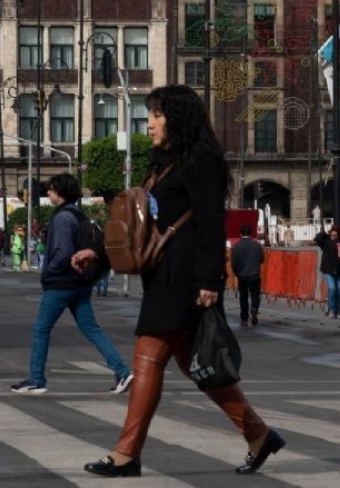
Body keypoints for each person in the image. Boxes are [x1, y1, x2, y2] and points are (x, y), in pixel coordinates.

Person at [76, 85, 285, 478]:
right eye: (150, 114)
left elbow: (209, 222)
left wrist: (210, 280)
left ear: (178, 118)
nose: (149, 123)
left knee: (148, 357)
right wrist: (101, 255)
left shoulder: (202, 160)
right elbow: (143, 226)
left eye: (156, 115)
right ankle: (258, 434)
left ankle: (126, 453)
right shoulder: (161, 164)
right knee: (198, 367)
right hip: (164, 276)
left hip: (186, 278)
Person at [10, 172, 133, 396]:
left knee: (41, 329)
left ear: (61, 192)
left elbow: (63, 251)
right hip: (80, 284)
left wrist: (50, 271)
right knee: (92, 329)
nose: (48, 192)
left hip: (61, 284)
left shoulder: (62, 218)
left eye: (52, 189)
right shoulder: (78, 215)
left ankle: (36, 379)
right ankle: (122, 371)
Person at [231, 224, 264, 327]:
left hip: (242, 276)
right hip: (255, 275)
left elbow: (234, 263)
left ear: (240, 234)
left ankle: (244, 319)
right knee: (255, 295)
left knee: (243, 298)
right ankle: (254, 308)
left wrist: (236, 273)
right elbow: (262, 259)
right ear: (251, 233)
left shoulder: (236, 246)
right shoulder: (257, 245)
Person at [314, 225, 340, 319]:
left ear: (338, 235)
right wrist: (324, 233)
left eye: (335, 236)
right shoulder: (325, 241)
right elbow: (317, 239)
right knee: (332, 289)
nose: (333, 237)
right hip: (328, 269)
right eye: (332, 235)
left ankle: (338, 310)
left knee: (339, 291)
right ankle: (332, 310)